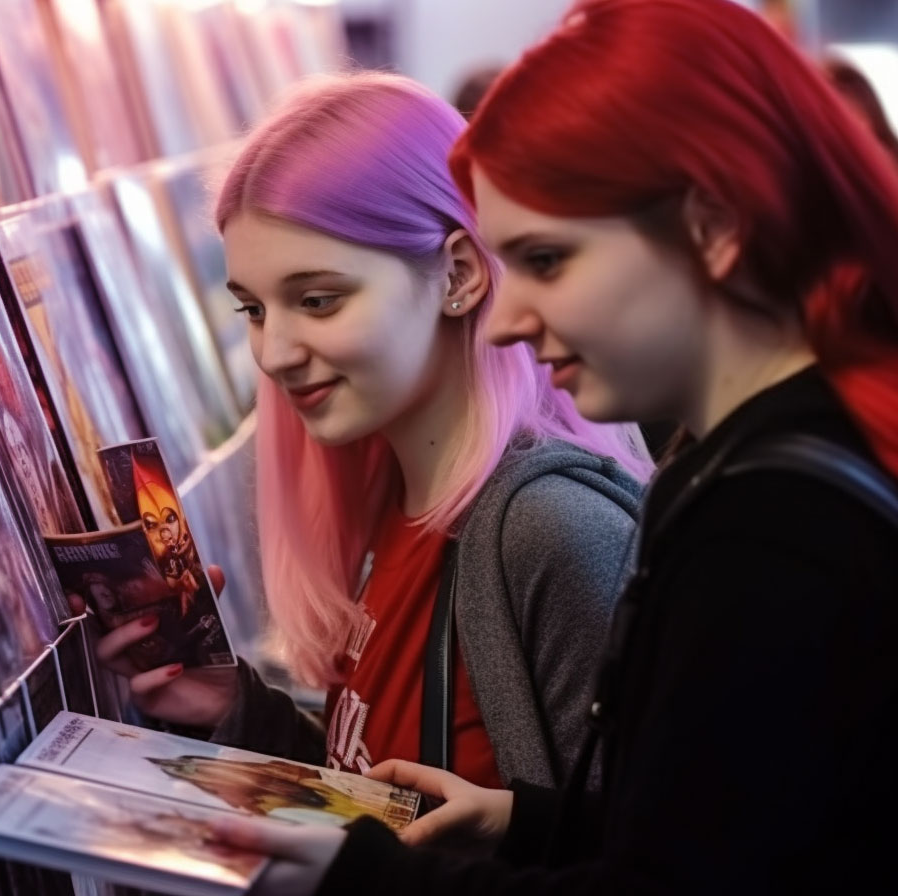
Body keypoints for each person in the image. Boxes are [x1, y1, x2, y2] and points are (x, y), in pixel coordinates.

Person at [210, 1, 898, 892]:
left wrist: (370, 879)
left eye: (547, 259)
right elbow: (715, 828)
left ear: (712, 228)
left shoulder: (772, 523)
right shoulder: (749, 479)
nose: (512, 315)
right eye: (254, 309)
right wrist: (523, 819)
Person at [91, 71, 652, 800]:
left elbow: (651, 857)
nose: (275, 352)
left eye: (317, 300)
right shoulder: (389, 506)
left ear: (457, 274)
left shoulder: (552, 533)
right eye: (253, 310)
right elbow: (377, 807)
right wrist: (234, 710)